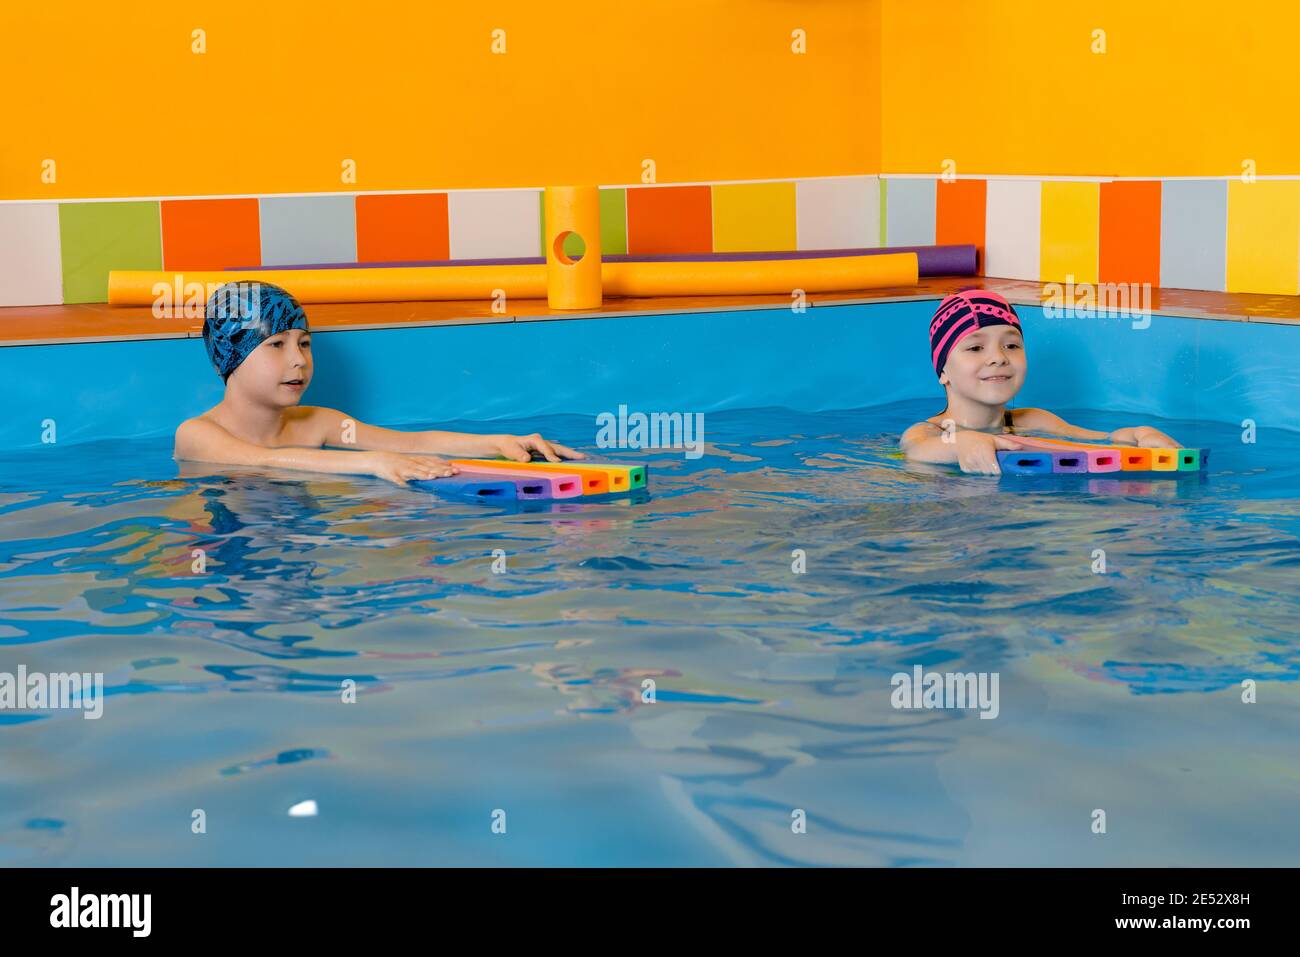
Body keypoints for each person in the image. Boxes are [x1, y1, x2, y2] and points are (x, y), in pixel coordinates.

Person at [174, 282, 584, 486]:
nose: (298, 359)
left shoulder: (317, 423)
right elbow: (262, 461)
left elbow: (409, 444)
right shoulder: (198, 435)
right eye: (276, 345)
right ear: (232, 357)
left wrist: (498, 442)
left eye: (304, 343)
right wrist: (371, 463)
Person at [901, 289, 1179, 475]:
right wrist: (961, 444)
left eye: (1011, 345)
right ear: (942, 371)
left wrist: (1138, 435)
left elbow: (1099, 440)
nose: (998, 357)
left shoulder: (1035, 421)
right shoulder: (929, 432)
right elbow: (916, 450)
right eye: (975, 349)